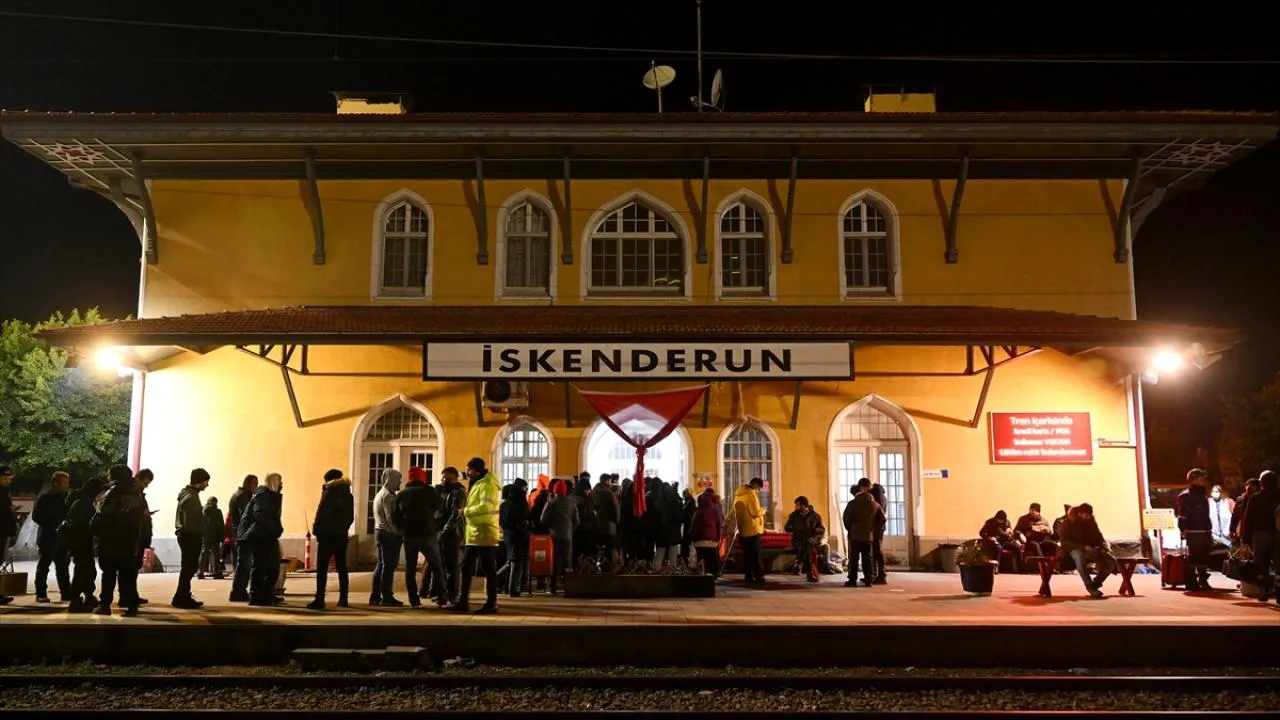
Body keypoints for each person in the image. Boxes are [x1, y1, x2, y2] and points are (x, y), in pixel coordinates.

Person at [93, 465, 146, 616]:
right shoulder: (136, 493)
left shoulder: (112, 492)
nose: (107, 476)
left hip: (111, 539)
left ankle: (105, 605)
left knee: (109, 574)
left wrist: (96, 529)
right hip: (130, 540)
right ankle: (132, 605)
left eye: (109, 474)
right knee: (127, 575)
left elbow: (104, 515)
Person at [452, 457, 501, 614]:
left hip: (485, 531)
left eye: (469, 469)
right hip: (475, 532)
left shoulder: (487, 484)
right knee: (466, 566)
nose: (467, 472)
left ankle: (491, 603)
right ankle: (463, 600)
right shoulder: (477, 482)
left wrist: (465, 511)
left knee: (487, 569)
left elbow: (485, 506)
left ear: (477, 471)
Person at [395, 466, 444, 608]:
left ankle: (414, 600)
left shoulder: (401, 494)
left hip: (409, 535)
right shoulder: (429, 491)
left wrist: (402, 530)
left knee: (410, 567)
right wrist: (434, 525)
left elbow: (395, 516)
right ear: (423, 478)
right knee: (436, 565)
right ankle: (441, 597)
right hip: (427, 533)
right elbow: (440, 507)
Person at [309, 468, 354, 610]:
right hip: (341, 535)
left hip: (327, 536)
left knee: (322, 568)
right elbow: (350, 517)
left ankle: (320, 598)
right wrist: (343, 529)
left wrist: (317, 530)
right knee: (342, 567)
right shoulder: (348, 494)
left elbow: (321, 514)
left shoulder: (329, 492)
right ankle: (344, 598)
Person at [60, 475, 106, 613]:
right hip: (80, 542)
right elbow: (80, 524)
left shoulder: (86, 501)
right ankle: (75, 599)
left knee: (88, 570)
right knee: (82, 570)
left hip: (83, 542)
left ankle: (88, 595)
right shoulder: (82, 503)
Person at [238, 473, 284, 606]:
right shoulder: (263, 495)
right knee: (261, 567)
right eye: (280, 481)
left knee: (272, 568)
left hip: (267, 535)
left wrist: (277, 530)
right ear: (274, 483)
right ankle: (256, 596)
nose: (282, 484)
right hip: (260, 535)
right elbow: (260, 515)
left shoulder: (271, 496)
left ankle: (266, 594)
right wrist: (274, 530)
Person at [1058, 503, 1116, 599]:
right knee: (1079, 557)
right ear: (1079, 513)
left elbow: (1098, 535)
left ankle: (1095, 584)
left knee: (1111, 561)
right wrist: (1082, 547)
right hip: (1073, 549)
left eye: (1089, 515)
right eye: (1085, 515)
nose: (1087, 517)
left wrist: (1104, 548)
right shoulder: (1068, 522)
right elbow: (1065, 542)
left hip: (1091, 549)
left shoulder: (1091, 521)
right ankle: (1089, 586)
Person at [31, 470, 72, 603]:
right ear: (55, 483)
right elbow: (36, 516)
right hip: (48, 537)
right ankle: (41, 593)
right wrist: (52, 525)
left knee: (63, 567)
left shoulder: (66, 498)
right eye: (64, 482)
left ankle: (66, 593)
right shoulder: (45, 498)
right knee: (44, 566)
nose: (67, 485)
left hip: (62, 538)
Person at [173, 468, 210, 609]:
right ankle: (181, 597)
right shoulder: (190, 496)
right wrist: (198, 529)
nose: (207, 485)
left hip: (187, 534)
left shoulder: (188, 494)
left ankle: (182, 595)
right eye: (206, 481)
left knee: (188, 567)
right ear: (200, 481)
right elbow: (191, 518)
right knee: (189, 567)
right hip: (190, 535)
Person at [1240, 470, 1279, 603]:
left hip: (1260, 535)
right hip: (1277, 534)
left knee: (1261, 564)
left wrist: (1245, 538)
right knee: (1279, 564)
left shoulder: (1255, 498)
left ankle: (1263, 591)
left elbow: (1248, 519)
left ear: (1262, 483)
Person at [431, 466, 466, 605]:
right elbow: (436, 510)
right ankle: (441, 594)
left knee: (451, 565)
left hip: (452, 533)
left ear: (453, 478)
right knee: (440, 564)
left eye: (446, 477)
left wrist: (445, 530)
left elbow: (455, 513)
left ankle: (452, 595)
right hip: (440, 531)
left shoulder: (458, 492)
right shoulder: (440, 491)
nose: (443, 480)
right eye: (442, 478)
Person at [1175, 468, 1213, 591]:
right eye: (1201, 478)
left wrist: (1208, 528)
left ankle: (1203, 579)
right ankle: (1191, 581)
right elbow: (1182, 515)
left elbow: (1206, 514)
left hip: (1205, 530)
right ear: (1193, 480)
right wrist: (1183, 529)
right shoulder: (1186, 496)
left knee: (1204, 556)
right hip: (1193, 531)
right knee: (1193, 557)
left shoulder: (1203, 495)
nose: (1203, 480)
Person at [370, 468, 403, 606]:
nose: (400, 482)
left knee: (381, 565)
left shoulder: (380, 493)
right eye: (398, 479)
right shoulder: (388, 496)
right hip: (388, 533)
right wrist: (398, 532)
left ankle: (375, 596)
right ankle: (387, 596)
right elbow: (390, 518)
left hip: (380, 531)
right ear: (391, 480)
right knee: (388, 567)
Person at [842, 478, 884, 588]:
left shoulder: (852, 504)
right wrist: (872, 528)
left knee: (854, 559)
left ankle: (852, 580)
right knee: (868, 558)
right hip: (868, 536)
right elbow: (882, 519)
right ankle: (868, 580)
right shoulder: (875, 504)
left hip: (855, 535)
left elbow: (846, 519)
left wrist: (851, 529)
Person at [540, 478, 579, 594]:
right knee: (568, 561)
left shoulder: (550, 503)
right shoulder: (572, 503)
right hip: (568, 535)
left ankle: (552, 588)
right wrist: (571, 529)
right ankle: (569, 588)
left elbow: (543, 519)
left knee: (554, 561)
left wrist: (551, 525)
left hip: (554, 536)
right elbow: (577, 521)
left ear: (554, 490)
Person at [227, 474, 259, 602]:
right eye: (254, 484)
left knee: (244, 564)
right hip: (243, 534)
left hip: (241, 533)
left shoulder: (241, 494)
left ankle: (240, 591)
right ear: (248, 483)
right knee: (244, 564)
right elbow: (246, 516)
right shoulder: (242, 496)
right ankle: (238, 591)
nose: (256, 486)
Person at [500, 477, 531, 597]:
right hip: (519, 535)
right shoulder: (520, 505)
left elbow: (501, 522)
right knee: (516, 562)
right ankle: (513, 588)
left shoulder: (504, 504)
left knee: (510, 560)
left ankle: (503, 583)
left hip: (507, 534)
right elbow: (525, 519)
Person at [784, 495, 826, 582]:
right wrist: (795, 528)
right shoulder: (793, 515)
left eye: (797, 505)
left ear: (803, 505)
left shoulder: (815, 516)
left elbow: (821, 529)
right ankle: (809, 574)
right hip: (798, 540)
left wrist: (815, 537)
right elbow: (787, 527)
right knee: (806, 547)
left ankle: (798, 563)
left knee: (807, 544)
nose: (796, 507)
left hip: (811, 540)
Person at [733, 477, 766, 584]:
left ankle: (748, 576)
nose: (758, 491)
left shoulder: (738, 495)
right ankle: (758, 576)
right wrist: (763, 510)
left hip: (743, 530)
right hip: (753, 530)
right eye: (759, 489)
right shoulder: (751, 495)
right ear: (755, 485)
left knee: (747, 555)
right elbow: (755, 512)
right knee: (756, 555)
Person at [689, 489, 725, 577]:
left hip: (699, 542)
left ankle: (701, 573)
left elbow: (694, 527)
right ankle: (712, 574)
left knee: (700, 559)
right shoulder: (714, 512)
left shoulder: (698, 513)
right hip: (712, 541)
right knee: (711, 560)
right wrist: (718, 538)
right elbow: (718, 525)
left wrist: (692, 538)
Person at [592, 472, 621, 567]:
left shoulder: (594, 492)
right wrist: (617, 521)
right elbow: (616, 509)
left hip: (596, 525)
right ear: (606, 481)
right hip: (609, 526)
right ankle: (607, 567)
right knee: (609, 549)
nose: (610, 483)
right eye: (609, 481)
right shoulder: (609, 493)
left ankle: (598, 566)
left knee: (599, 548)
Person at [0, 466, 17, 605]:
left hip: (4, 530)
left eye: (10, 479)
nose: (8, 481)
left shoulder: (5, 491)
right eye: (5, 478)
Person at [199, 496, 225, 580]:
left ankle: (200, 572)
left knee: (204, 553)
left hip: (204, 536)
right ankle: (216, 572)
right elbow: (220, 525)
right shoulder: (217, 511)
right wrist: (222, 537)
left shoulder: (202, 510)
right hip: (215, 536)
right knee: (216, 554)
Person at [869, 483, 889, 584]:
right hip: (880, 528)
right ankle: (876, 574)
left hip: (875, 528)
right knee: (876, 551)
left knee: (876, 552)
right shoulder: (883, 497)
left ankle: (880, 575)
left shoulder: (875, 498)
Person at [1208, 484, 1234, 549]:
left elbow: (1234, 515)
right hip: (1214, 534)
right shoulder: (1209, 502)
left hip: (1227, 533)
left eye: (1216, 491)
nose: (1214, 493)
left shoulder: (1229, 502)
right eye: (1213, 491)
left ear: (1221, 492)